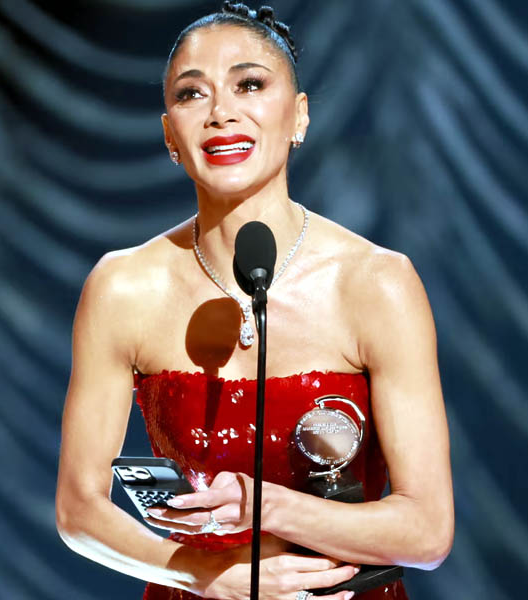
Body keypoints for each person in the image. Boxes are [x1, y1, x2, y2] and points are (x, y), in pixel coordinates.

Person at [54, 3, 454, 599]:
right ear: (169, 135)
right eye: (192, 95)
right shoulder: (123, 287)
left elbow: (426, 531)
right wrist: (207, 577)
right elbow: (79, 511)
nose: (221, 113)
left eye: (250, 84)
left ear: (299, 116)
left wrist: (266, 507)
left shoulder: (376, 284)